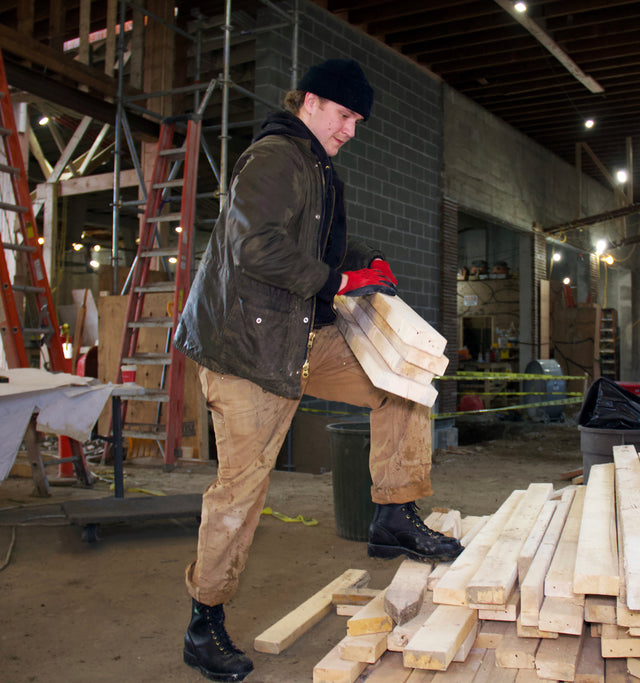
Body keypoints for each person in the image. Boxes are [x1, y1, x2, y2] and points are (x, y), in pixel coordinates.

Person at [172, 58, 463, 682]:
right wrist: (338, 282)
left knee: (406, 384)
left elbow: (320, 241)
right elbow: (256, 247)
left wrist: (366, 259)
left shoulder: (317, 166)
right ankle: (205, 622)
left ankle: (392, 514)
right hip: (246, 353)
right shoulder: (277, 157)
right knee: (239, 494)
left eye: (358, 120)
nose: (350, 129)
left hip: (298, 338)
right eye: (343, 115)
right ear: (310, 101)